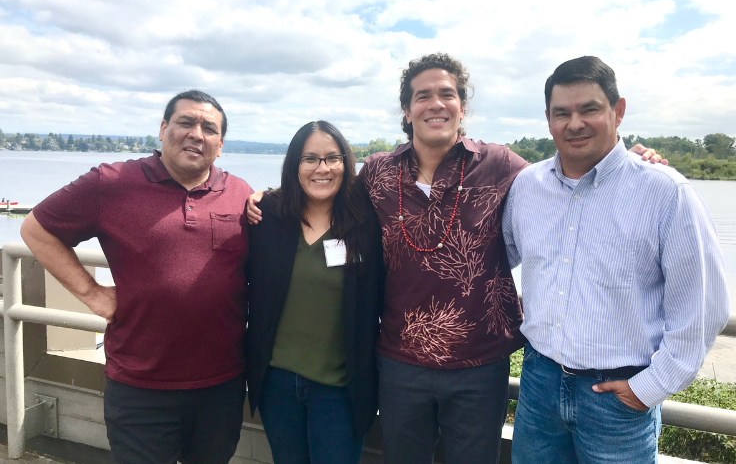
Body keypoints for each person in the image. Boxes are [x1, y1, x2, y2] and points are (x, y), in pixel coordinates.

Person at [247, 53, 663, 464]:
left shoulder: (501, 166)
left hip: (479, 365)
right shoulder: (377, 172)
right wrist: (268, 196)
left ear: (463, 106)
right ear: (407, 111)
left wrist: (627, 160)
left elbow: (565, 175)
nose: (435, 103)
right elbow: (323, 187)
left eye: (447, 93)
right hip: (398, 362)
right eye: (422, 95)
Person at [503, 56, 731, 463]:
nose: (574, 123)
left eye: (589, 108)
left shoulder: (666, 194)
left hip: (618, 398)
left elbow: (702, 308)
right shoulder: (527, 186)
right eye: (562, 113)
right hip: (539, 382)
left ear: (618, 110)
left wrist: (650, 388)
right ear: (548, 119)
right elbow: (500, 260)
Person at [20, 90, 253, 464]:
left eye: (209, 128)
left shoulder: (240, 193)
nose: (197, 133)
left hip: (220, 385)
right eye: (185, 122)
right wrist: (92, 292)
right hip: (141, 387)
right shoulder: (110, 183)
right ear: (162, 129)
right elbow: (35, 230)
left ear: (220, 145)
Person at [245, 120, 383, 464]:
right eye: (310, 159)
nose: (322, 168)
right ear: (295, 166)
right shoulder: (267, 218)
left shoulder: (367, 224)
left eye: (332, 158)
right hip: (277, 384)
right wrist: (258, 195)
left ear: (346, 164)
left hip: (339, 389)